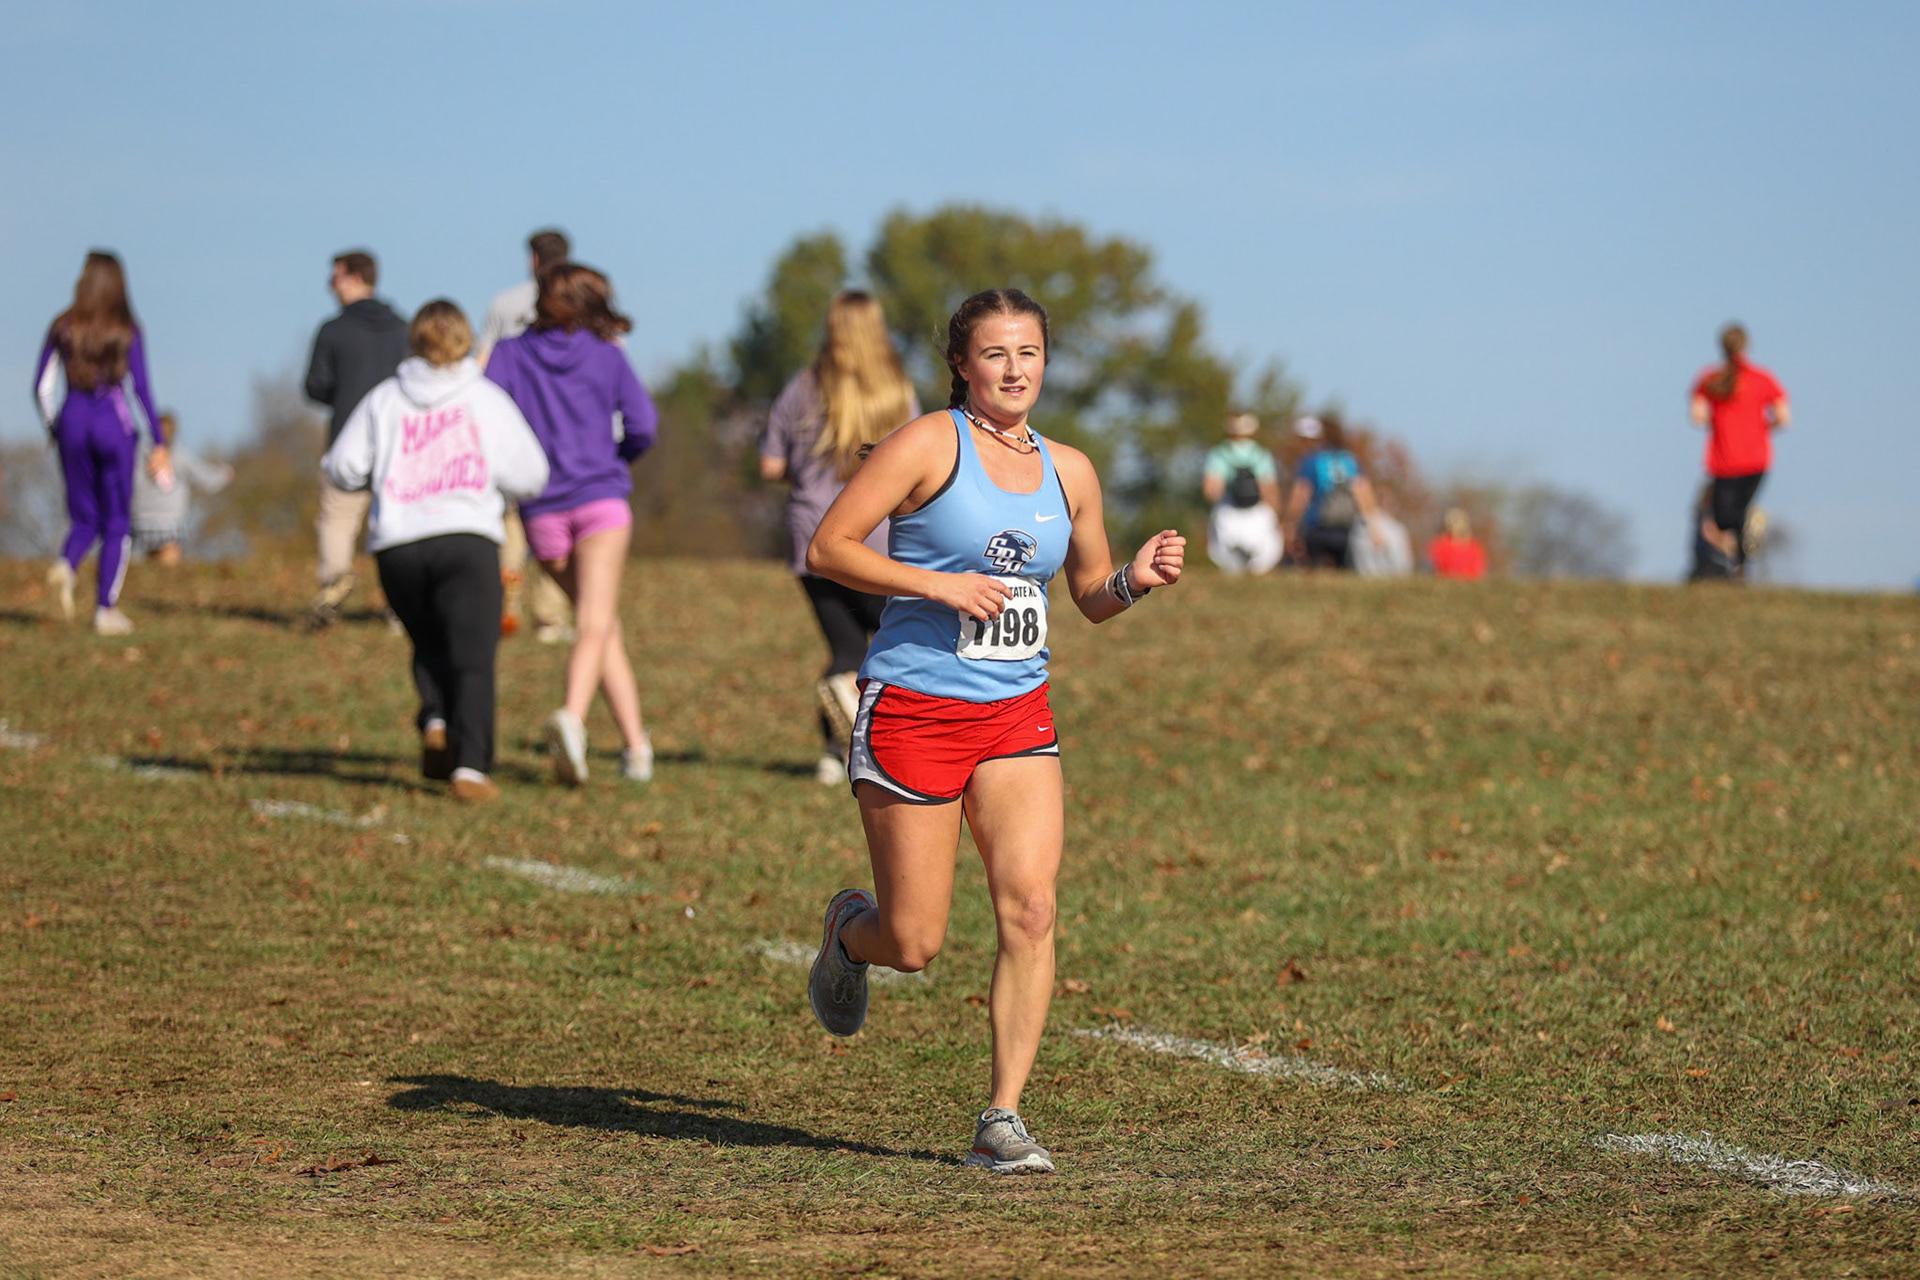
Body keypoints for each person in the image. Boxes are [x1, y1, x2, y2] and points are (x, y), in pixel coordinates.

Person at [804, 288, 1185, 1175]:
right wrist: (939, 586)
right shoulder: (930, 443)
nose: (1016, 371)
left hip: (1015, 714)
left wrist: (1134, 579)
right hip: (915, 708)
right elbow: (830, 547)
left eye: (1030, 355)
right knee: (915, 940)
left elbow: (1088, 599)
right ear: (962, 366)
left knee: (1032, 906)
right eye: (996, 355)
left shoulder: (1071, 469)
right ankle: (848, 935)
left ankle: (1001, 1119)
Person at [320, 301, 549, 803]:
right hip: (466, 537)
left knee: (426, 639)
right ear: (465, 341)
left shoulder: (385, 399)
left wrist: (379, 477)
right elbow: (532, 473)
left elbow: (341, 465)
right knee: (472, 654)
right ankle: (469, 768)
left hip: (399, 545)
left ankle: (437, 718)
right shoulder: (485, 399)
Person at [486, 263, 659, 787]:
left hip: (540, 508)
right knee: (594, 621)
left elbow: (486, 414)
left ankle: (636, 748)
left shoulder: (510, 353)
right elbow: (644, 425)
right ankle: (574, 719)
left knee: (600, 621)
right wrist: (616, 457)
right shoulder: (607, 355)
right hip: (601, 499)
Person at [759, 291, 920, 784]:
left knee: (844, 649)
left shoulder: (802, 388)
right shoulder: (897, 391)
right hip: (878, 539)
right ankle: (862, 745)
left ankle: (833, 754)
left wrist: (809, 473)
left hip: (812, 536)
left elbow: (770, 465)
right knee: (885, 644)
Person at [34, 250, 169, 635]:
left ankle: (66, 564)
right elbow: (141, 388)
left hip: (72, 421)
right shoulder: (126, 328)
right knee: (117, 521)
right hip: (114, 424)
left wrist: (54, 428)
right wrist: (159, 441)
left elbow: (42, 387)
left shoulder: (63, 325)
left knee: (84, 517)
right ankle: (105, 610)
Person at [477, 229, 574, 645]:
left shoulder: (504, 304)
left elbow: (483, 368)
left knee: (511, 525)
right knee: (558, 531)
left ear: (533, 260)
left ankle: (504, 605)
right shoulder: (585, 299)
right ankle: (550, 619)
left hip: (515, 432)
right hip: (568, 436)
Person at [303, 249, 409, 629]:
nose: (330, 286)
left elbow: (314, 387)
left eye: (334, 277)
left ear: (352, 278)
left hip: (346, 440)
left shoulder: (332, 331)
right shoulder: (403, 329)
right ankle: (399, 606)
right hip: (397, 444)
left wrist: (347, 393)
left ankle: (334, 584)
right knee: (394, 524)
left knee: (337, 519)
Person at [1690, 323, 1788, 578]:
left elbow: (1697, 417)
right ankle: (1741, 564)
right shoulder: (1763, 379)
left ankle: (1737, 556)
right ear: (1747, 345)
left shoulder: (1709, 379)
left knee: (1723, 520)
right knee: (1739, 514)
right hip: (1758, 459)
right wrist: (1761, 427)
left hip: (1724, 459)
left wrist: (1721, 423)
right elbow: (1783, 417)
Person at [131, 412, 233, 565]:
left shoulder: (137, 455)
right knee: (169, 571)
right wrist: (225, 473)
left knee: (149, 573)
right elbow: (207, 479)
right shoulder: (180, 456)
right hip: (171, 525)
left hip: (140, 523)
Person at [1283, 415, 1384, 569]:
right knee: (1344, 570)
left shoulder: (1312, 460)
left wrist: (1290, 525)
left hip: (1316, 526)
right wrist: (1374, 528)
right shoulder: (1350, 460)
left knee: (1313, 570)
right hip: (1347, 527)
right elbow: (1364, 493)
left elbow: (1300, 495)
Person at [1200, 412, 1283, 575]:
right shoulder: (1260, 454)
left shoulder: (1219, 453)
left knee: (1230, 559)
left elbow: (1211, 490)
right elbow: (1269, 489)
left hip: (1229, 510)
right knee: (1261, 556)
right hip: (1258, 511)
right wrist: (1277, 514)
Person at [1427, 507, 1488, 580]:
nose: (1460, 526)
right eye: (1455, 522)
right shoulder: (1440, 546)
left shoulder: (1475, 547)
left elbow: (1479, 572)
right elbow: (1436, 569)